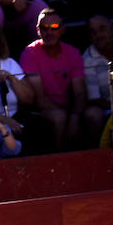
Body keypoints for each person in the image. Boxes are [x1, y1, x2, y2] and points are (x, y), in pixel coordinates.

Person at [20, 8, 85, 152]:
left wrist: (74, 117)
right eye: (44, 28)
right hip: (40, 110)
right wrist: (68, 117)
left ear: (62, 29)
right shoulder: (30, 53)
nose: (49, 32)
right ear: (38, 30)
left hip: (69, 109)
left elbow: (80, 93)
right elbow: (39, 98)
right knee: (59, 117)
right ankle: (59, 160)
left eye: (54, 27)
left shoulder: (73, 53)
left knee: (94, 115)